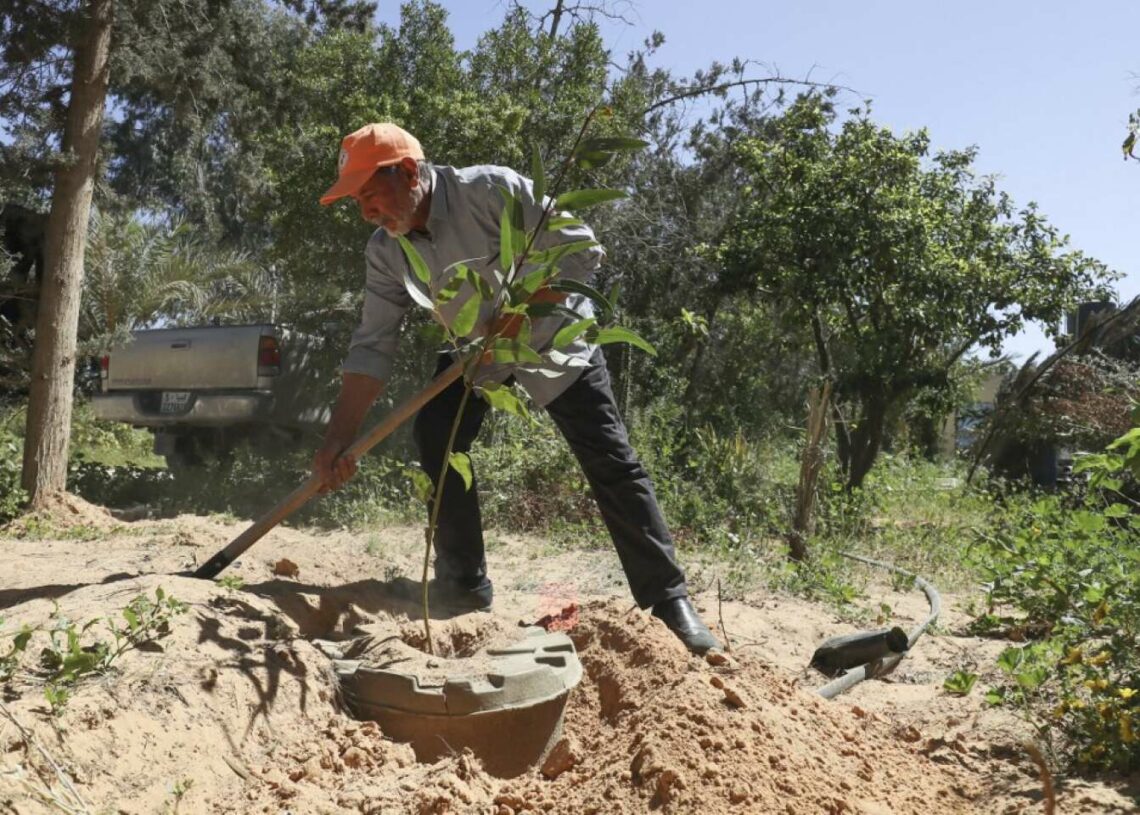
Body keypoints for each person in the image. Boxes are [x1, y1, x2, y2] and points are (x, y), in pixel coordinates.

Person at [312, 122, 721, 655]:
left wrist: (521, 314)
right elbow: (372, 346)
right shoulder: (384, 252)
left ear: (409, 172)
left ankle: (669, 602)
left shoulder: (491, 191)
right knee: (437, 436)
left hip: (552, 334)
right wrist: (336, 441)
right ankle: (463, 584)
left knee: (609, 457)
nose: (366, 212)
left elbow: (580, 251)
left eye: (369, 194)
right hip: (473, 353)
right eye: (357, 201)